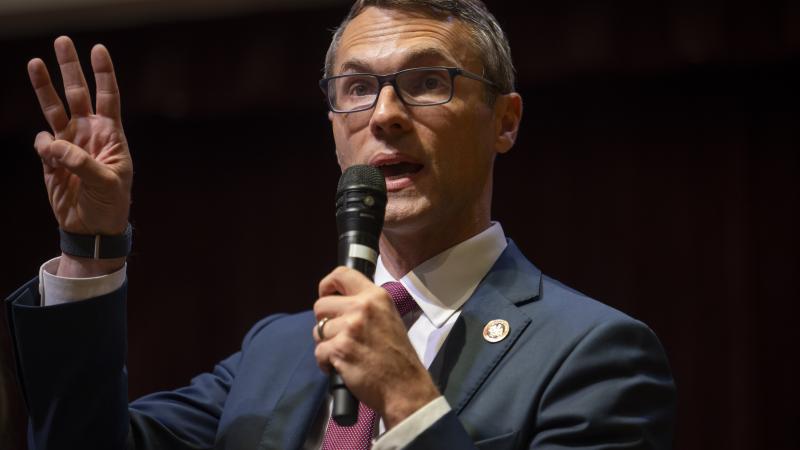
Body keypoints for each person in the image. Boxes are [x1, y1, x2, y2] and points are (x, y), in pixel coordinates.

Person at [5, 0, 677, 449]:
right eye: (356, 88)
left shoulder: (594, 355)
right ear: (333, 129)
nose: (383, 113)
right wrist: (91, 252)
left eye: (425, 81)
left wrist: (412, 403)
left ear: (506, 120)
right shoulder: (276, 351)